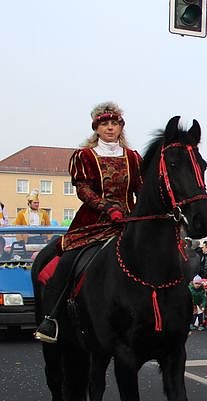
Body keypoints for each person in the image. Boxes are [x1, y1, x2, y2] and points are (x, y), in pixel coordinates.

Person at [35, 102, 143, 342]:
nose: (110, 128)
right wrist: (107, 207)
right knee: (69, 260)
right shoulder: (85, 156)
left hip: (128, 219)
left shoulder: (133, 157)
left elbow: (140, 188)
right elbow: (83, 190)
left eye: (114, 123)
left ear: (121, 127)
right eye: (105, 123)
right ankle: (51, 317)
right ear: (96, 127)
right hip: (94, 219)